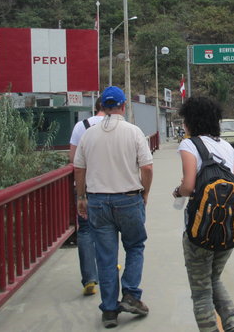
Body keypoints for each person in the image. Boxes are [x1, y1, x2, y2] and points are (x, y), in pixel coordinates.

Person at [74, 86, 154, 328]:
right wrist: (145, 193)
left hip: (98, 201)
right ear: (123, 105)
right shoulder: (134, 131)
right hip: (129, 199)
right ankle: (130, 294)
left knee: (106, 256)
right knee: (135, 246)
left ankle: (109, 311)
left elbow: (79, 168)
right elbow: (147, 167)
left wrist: (81, 197)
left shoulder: (89, 134)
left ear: (101, 106)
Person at [173, 97, 234, 332]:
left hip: (199, 230)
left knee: (201, 291)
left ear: (191, 121)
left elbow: (189, 186)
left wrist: (177, 192)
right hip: (229, 228)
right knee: (214, 280)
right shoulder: (226, 147)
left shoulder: (189, 145)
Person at [69, 97, 105, 296]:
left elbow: (73, 159)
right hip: (109, 186)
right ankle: (108, 268)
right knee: (108, 229)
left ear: (96, 107)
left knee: (85, 231)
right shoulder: (121, 126)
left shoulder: (80, 127)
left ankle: (90, 278)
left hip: (85, 185)